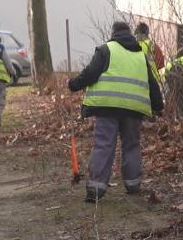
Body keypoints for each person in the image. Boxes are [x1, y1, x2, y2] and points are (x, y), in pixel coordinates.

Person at [67, 21, 164, 202]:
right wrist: (158, 106)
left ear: (113, 33)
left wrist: (73, 84)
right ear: (130, 34)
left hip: (107, 106)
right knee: (132, 145)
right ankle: (133, 183)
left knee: (104, 144)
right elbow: (152, 84)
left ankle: (96, 188)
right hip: (134, 109)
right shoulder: (141, 56)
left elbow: (90, 74)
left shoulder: (106, 50)